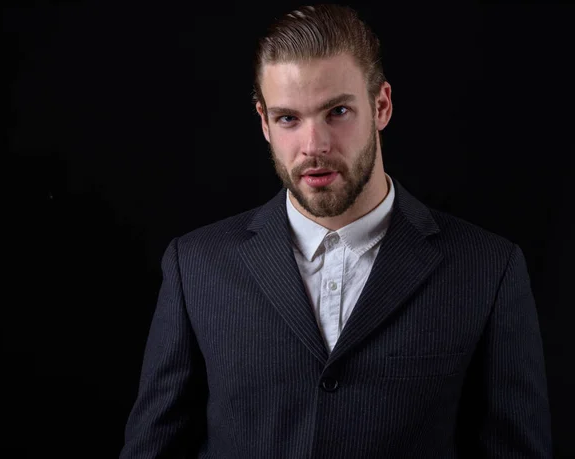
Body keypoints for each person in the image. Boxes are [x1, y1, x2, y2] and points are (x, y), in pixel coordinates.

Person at [119, 4, 552, 458]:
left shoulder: (487, 269)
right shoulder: (196, 266)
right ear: (264, 122)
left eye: (338, 112)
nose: (314, 146)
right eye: (288, 118)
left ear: (381, 105)